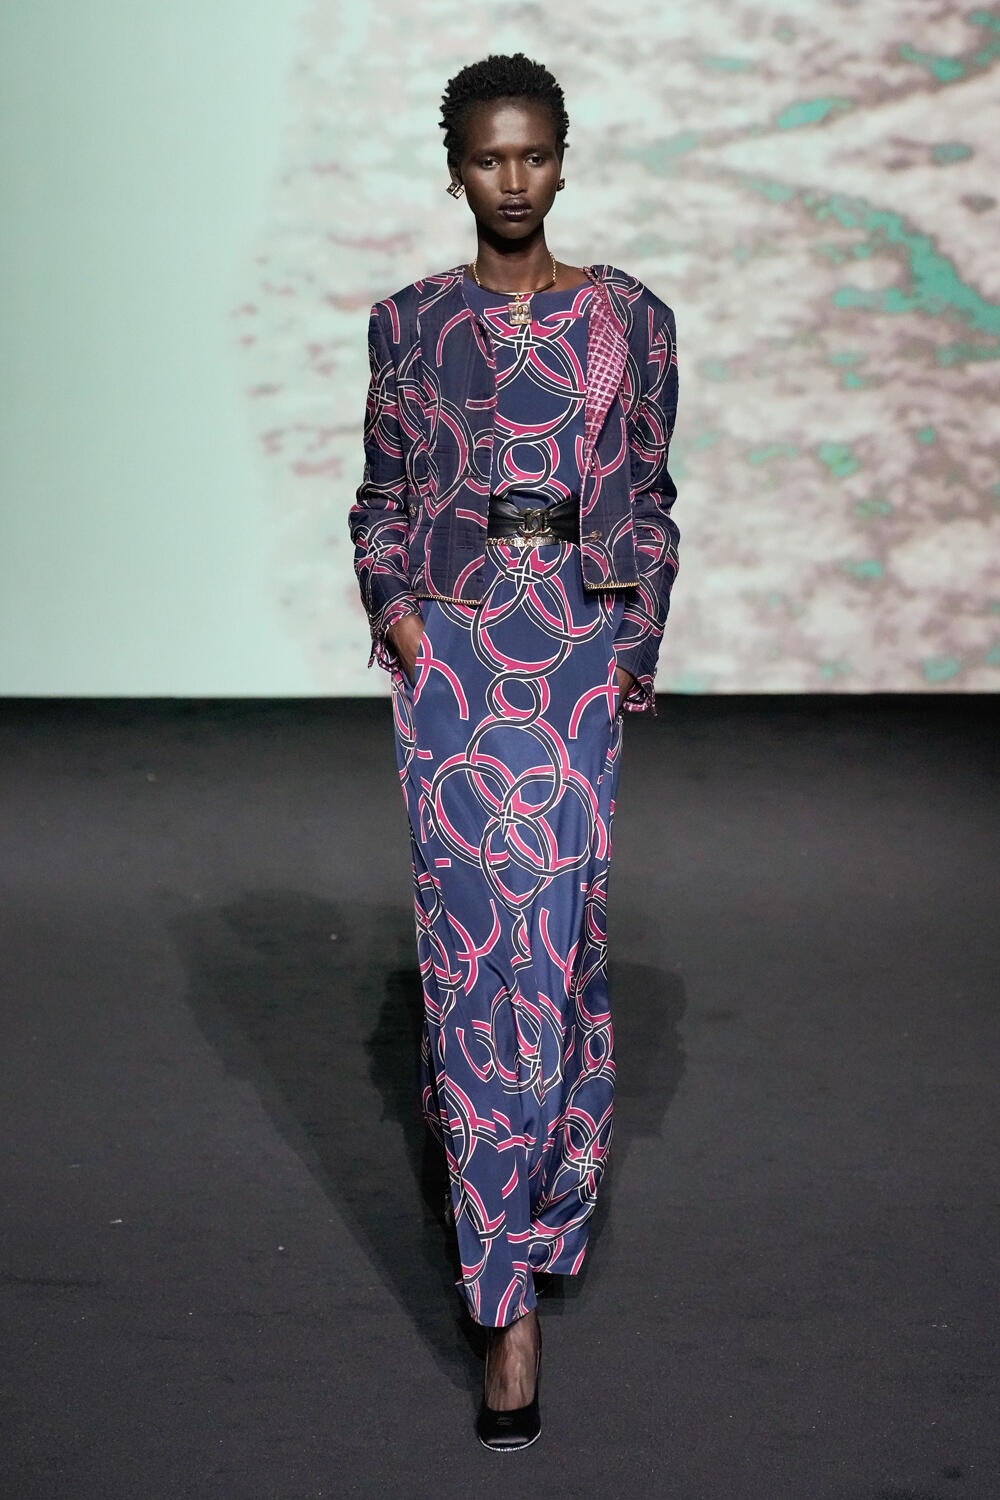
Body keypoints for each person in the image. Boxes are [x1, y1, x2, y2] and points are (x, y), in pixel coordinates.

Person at [349, 51, 680, 1452]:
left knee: (557, 942)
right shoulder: (410, 324)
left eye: (533, 154)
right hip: (458, 658)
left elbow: (653, 493)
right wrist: (400, 617)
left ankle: (540, 1191)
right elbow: (379, 495)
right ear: (455, 172)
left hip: (574, 652)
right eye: (488, 158)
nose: (513, 179)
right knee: (473, 947)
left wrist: (631, 637)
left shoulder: (629, 319)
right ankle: (507, 1307)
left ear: (562, 157)